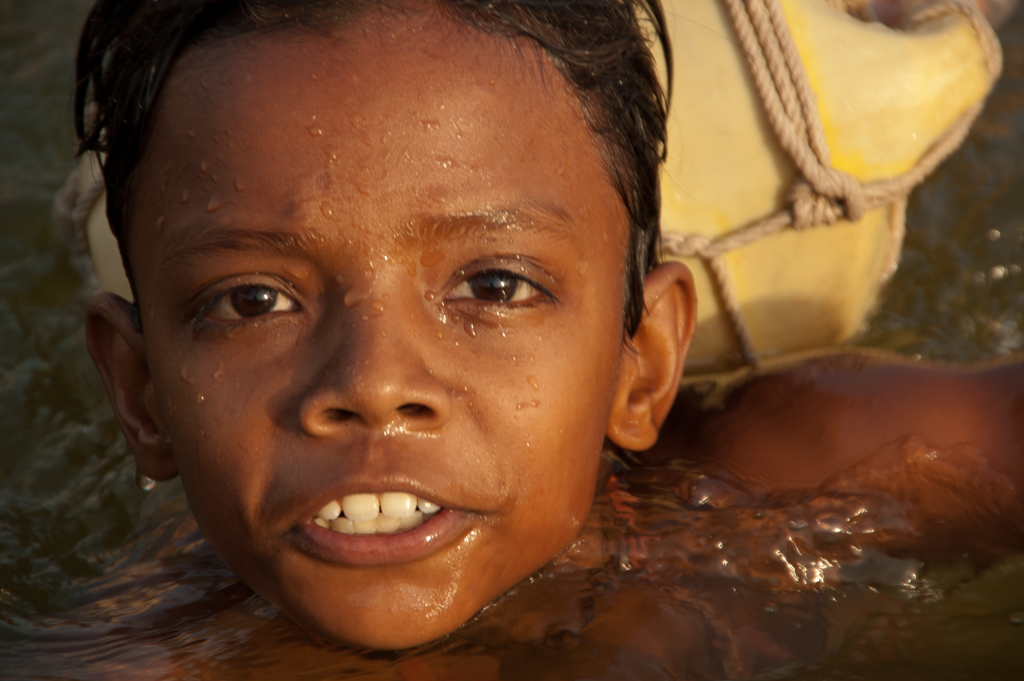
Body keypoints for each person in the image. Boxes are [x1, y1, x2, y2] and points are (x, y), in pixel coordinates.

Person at [75, 0, 1024, 656]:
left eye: (494, 284)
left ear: (642, 362)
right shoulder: (148, 657)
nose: (371, 382)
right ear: (142, 393)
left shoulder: (783, 479)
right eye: (253, 300)